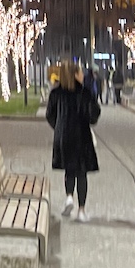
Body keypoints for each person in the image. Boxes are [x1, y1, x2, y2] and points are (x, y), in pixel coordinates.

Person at [46, 61, 101, 223]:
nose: (83, 74)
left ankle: (69, 197)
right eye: (81, 72)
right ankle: (81, 210)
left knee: (69, 170)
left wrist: (58, 126)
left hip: (63, 137)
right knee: (81, 172)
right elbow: (94, 115)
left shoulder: (56, 93)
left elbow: (50, 115)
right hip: (81, 136)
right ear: (75, 74)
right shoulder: (84, 93)